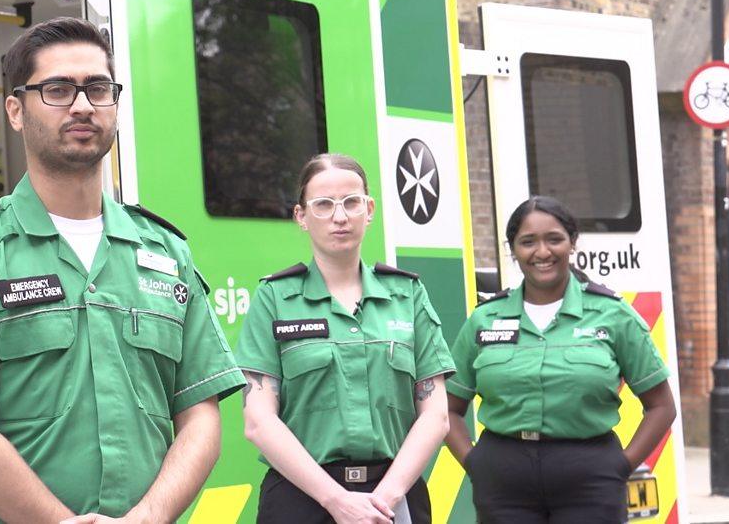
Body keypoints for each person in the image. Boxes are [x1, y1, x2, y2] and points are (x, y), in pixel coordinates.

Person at [0, 17, 246, 523]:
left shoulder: (166, 252)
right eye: (57, 89)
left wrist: (146, 519)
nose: (82, 105)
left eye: (97, 89)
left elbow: (201, 418)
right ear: (15, 110)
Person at [237, 153, 456, 524]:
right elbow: (258, 421)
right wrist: (336, 500)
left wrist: (384, 498)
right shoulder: (275, 299)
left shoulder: (408, 296)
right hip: (300, 499)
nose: (340, 216)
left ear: (369, 209)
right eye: (323, 205)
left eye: (351, 202)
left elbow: (435, 416)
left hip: (393, 498)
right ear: (301, 217)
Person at [444, 196, 677, 523]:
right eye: (528, 242)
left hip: (590, 477)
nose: (542, 252)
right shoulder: (485, 319)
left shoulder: (612, 314)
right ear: (513, 250)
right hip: (503, 479)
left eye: (554, 239)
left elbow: (662, 406)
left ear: (572, 243)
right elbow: (447, 408)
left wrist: (621, 466)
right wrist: (474, 462)